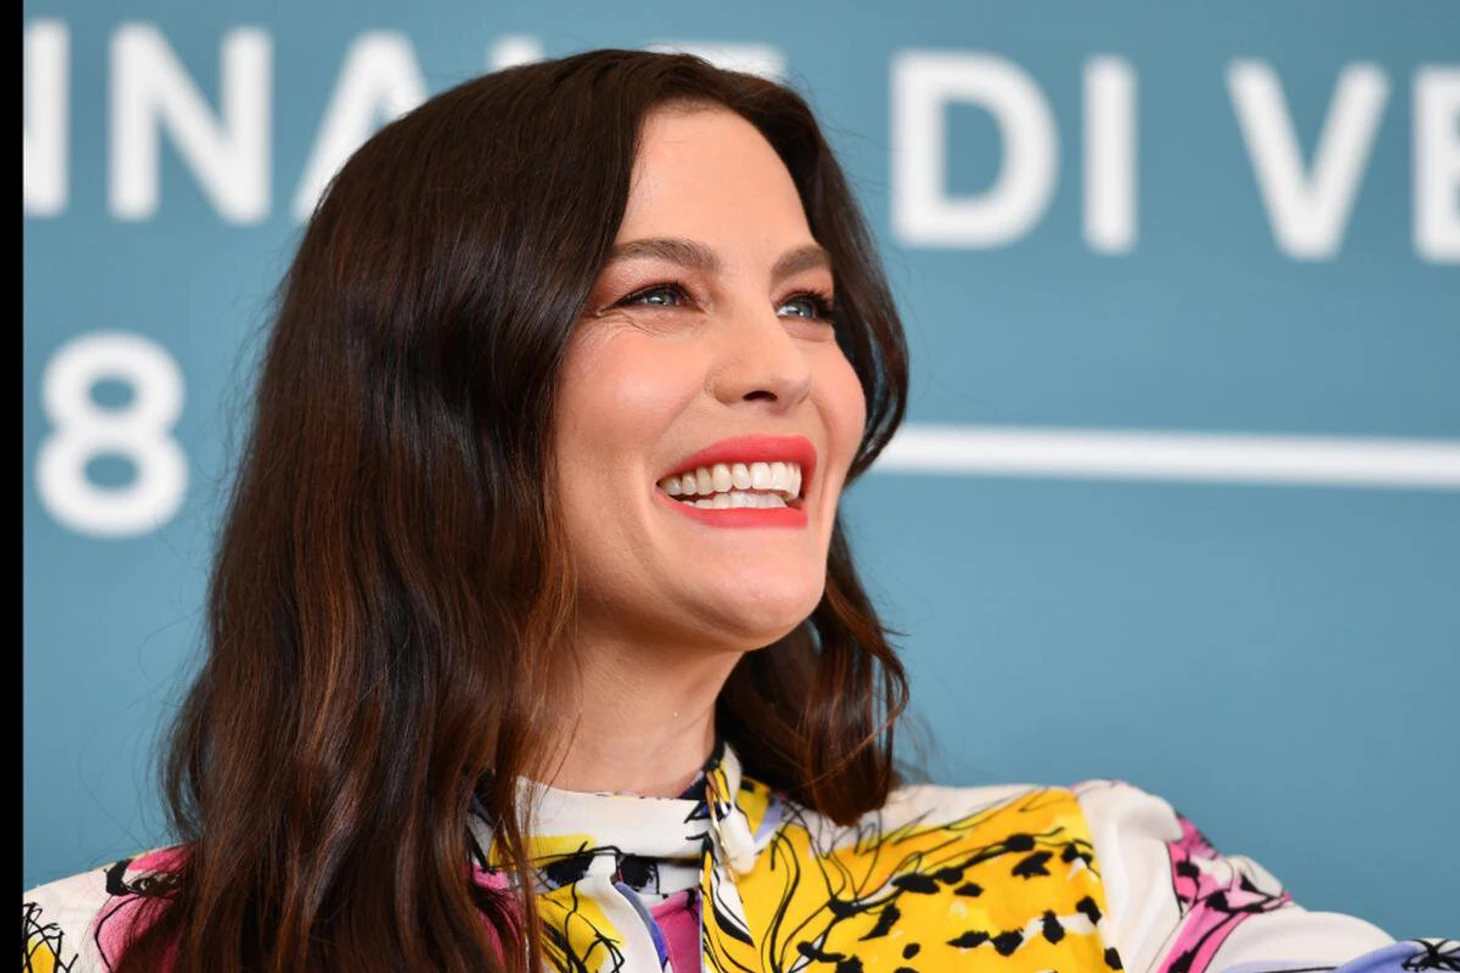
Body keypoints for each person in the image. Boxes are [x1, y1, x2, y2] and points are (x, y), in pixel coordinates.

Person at [22, 48, 1451, 973]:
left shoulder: (1098, 894)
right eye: (659, 293)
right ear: (429, 391)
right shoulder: (99, 950)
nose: (782, 367)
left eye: (807, 304)